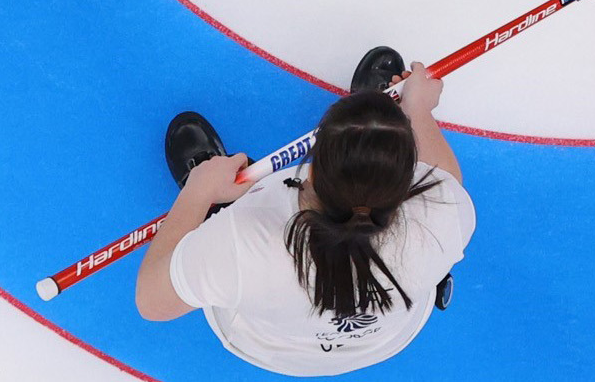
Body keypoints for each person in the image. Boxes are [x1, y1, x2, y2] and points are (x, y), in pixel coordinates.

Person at [138, 47, 476, 376]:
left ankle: (225, 202)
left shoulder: (244, 241)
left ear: (312, 172)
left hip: (268, 344)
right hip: (383, 340)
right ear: (407, 181)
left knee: (223, 244)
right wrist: (418, 111)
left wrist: (199, 192)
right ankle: (370, 132)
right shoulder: (440, 214)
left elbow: (152, 301)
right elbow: (446, 179)